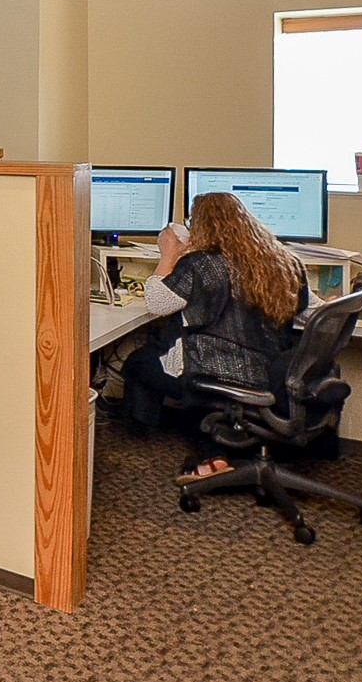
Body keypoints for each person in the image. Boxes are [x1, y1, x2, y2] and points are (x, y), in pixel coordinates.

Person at [120, 190, 308, 479]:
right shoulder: (283, 261)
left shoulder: (202, 265)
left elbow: (157, 303)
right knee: (158, 350)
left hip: (216, 372)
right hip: (268, 371)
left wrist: (169, 254)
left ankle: (140, 438)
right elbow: (308, 307)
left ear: (202, 227)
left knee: (138, 361)